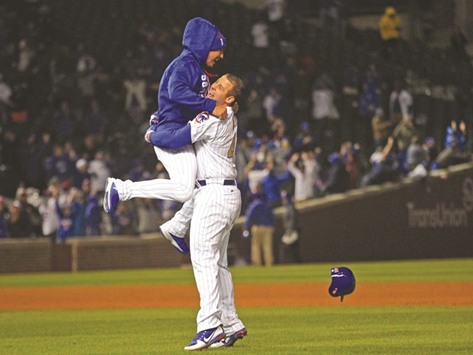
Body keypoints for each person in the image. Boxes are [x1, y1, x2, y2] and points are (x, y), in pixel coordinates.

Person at [151, 74, 247, 350]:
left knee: (204, 258)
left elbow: (177, 138)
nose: (213, 87)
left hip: (215, 193)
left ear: (229, 98)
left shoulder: (214, 117)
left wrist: (152, 132)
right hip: (225, 192)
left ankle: (208, 326)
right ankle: (231, 322)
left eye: (220, 87)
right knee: (217, 263)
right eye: (215, 84)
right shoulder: (225, 113)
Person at [104, 17, 228, 216]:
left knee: (200, 186)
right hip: (172, 131)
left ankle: (176, 228)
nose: (221, 55)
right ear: (203, 46)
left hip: (178, 128)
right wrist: (210, 105)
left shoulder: (194, 66)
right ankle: (122, 189)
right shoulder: (184, 64)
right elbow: (176, 91)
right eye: (217, 48)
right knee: (185, 190)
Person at [242, 182, 276, 266]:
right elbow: (272, 215)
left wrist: (245, 227)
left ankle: (257, 264)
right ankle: (269, 264)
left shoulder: (254, 204)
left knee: (256, 247)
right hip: (267, 227)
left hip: (257, 228)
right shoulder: (267, 203)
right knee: (267, 247)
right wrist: (273, 225)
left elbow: (249, 217)